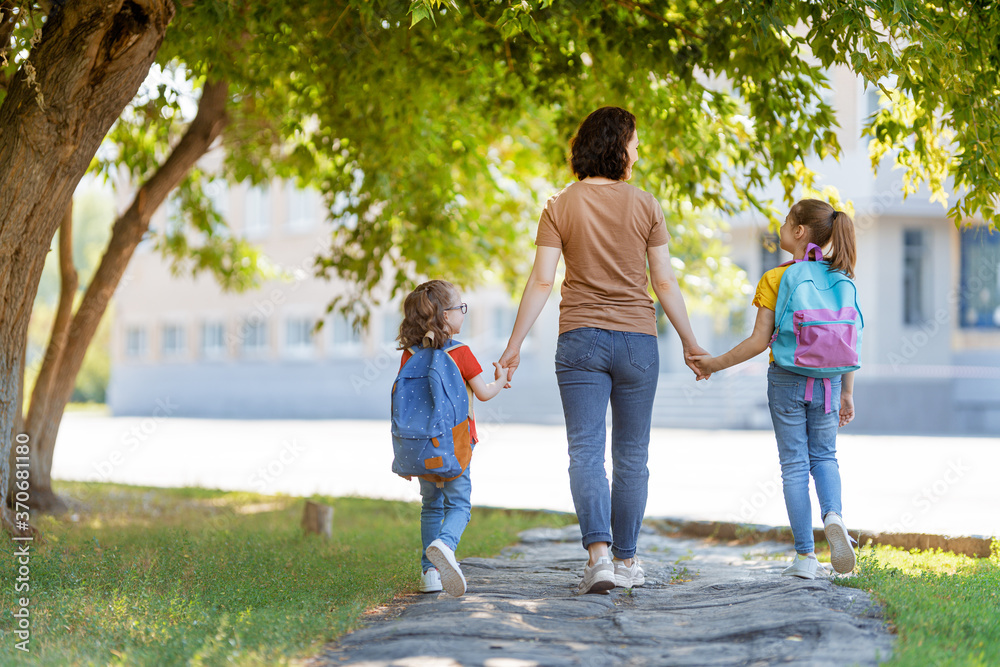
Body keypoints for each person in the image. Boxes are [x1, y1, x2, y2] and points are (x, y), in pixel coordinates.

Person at [498, 107, 707, 594]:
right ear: (617, 146)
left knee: (585, 450)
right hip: (638, 340)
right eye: (635, 142)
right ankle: (628, 561)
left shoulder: (559, 205)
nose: (638, 151)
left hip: (579, 342)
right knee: (632, 455)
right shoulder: (646, 205)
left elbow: (543, 280)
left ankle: (599, 559)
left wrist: (513, 347)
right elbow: (666, 282)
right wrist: (691, 343)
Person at [689, 199, 858, 578]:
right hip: (830, 382)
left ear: (799, 232)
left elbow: (757, 342)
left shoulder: (775, 278)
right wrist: (847, 392)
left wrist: (714, 364)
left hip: (786, 380)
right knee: (825, 457)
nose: (780, 228)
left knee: (794, 465)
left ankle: (804, 558)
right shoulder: (842, 277)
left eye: (785, 222)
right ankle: (833, 515)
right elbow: (847, 342)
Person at [397, 279, 510, 597]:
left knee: (431, 505)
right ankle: (445, 545)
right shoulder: (461, 353)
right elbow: (485, 393)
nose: (464, 312)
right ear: (445, 316)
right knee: (459, 504)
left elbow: (405, 405)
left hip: (421, 444)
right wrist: (500, 379)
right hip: (457, 443)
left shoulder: (409, 355)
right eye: (461, 307)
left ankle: (430, 573)